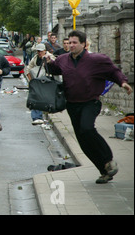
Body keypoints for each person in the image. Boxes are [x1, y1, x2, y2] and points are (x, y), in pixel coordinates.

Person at [45, 30, 133, 184]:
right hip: (72, 104)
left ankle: (108, 160)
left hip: (90, 102)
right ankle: (104, 171)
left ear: (83, 44)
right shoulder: (64, 59)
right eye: (69, 42)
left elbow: (113, 71)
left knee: (87, 129)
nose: (71, 45)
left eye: (74, 43)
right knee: (83, 140)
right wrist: (48, 61)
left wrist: (123, 82)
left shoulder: (96, 60)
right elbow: (53, 70)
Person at [26, 44, 51, 125]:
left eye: (41, 51)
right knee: (35, 97)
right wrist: (31, 81)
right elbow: (28, 68)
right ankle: (36, 117)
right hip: (38, 81)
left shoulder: (50, 57)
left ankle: (41, 115)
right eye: (38, 51)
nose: (39, 53)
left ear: (44, 50)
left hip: (47, 81)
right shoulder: (35, 58)